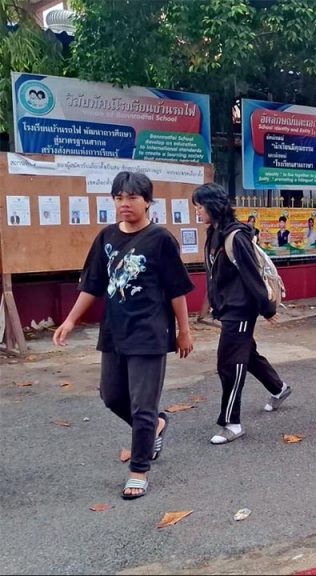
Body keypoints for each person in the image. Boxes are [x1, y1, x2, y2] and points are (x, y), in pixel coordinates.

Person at [52, 171, 194, 500]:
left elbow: (176, 290)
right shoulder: (106, 237)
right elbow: (92, 285)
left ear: (147, 201)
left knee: (143, 405)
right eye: (119, 198)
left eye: (132, 197)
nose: (124, 204)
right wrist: (70, 320)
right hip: (115, 331)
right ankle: (155, 426)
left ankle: (139, 470)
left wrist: (184, 331)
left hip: (150, 332)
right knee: (112, 397)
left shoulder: (160, 239)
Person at [192, 183, 292, 445]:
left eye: (200, 206)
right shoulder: (214, 233)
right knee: (247, 353)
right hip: (227, 308)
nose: (197, 211)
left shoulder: (236, 237)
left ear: (213, 205)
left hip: (240, 309)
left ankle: (231, 423)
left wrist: (267, 309)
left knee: (230, 364)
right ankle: (279, 388)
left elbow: (252, 276)